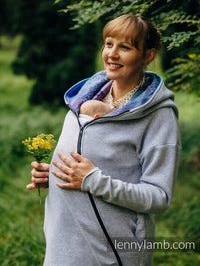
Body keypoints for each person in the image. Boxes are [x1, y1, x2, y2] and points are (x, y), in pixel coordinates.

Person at [27, 14, 181, 266]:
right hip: (63, 246)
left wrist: (92, 180)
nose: (112, 54)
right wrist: (54, 175)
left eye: (126, 47)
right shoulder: (83, 99)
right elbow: (93, 164)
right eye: (109, 44)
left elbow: (159, 197)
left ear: (148, 55)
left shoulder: (158, 116)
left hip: (113, 252)